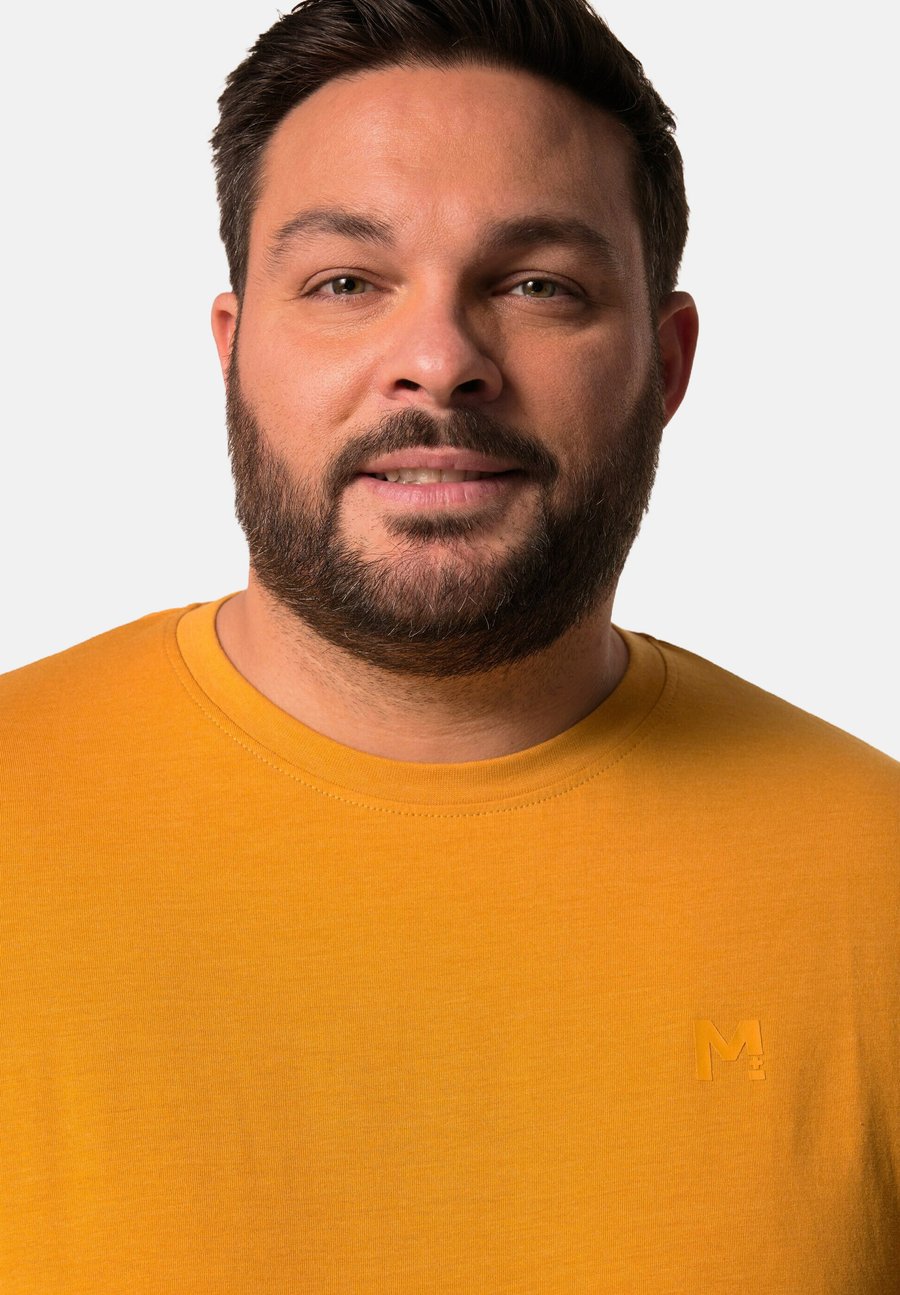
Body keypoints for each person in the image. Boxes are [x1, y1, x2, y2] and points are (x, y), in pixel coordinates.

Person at [1, 0, 896, 1289]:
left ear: (666, 363)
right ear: (233, 350)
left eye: (537, 286)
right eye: (346, 283)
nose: (438, 361)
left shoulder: (878, 876)